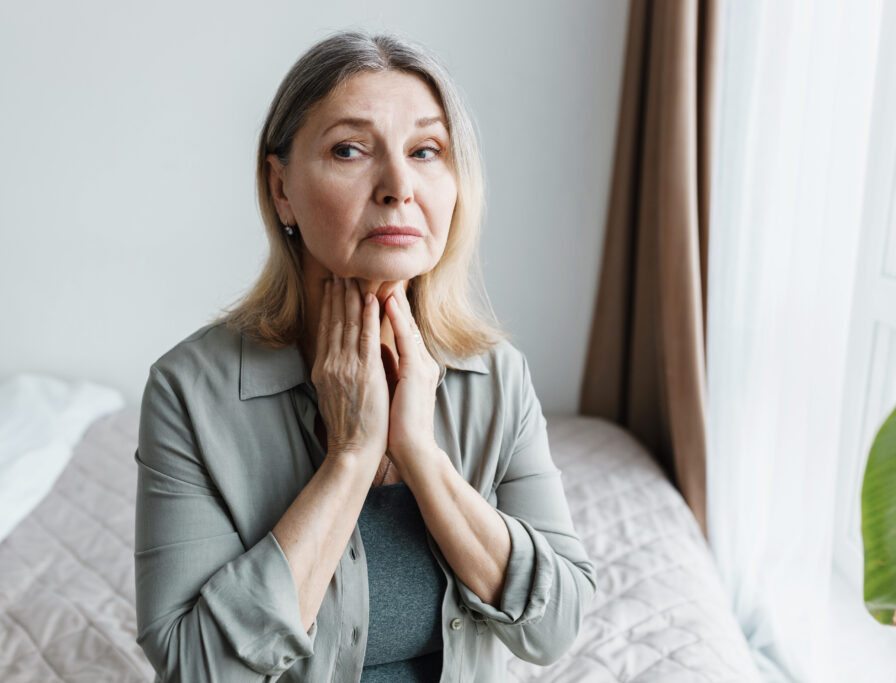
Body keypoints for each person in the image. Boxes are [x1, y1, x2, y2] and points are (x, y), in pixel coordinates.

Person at [134, 30, 597, 683]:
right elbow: (196, 669)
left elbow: (557, 627)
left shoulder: (497, 376)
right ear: (282, 188)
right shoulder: (189, 390)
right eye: (349, 149)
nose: (399, 185)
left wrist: (420, 455)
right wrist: (350, 458)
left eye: (426, 151)